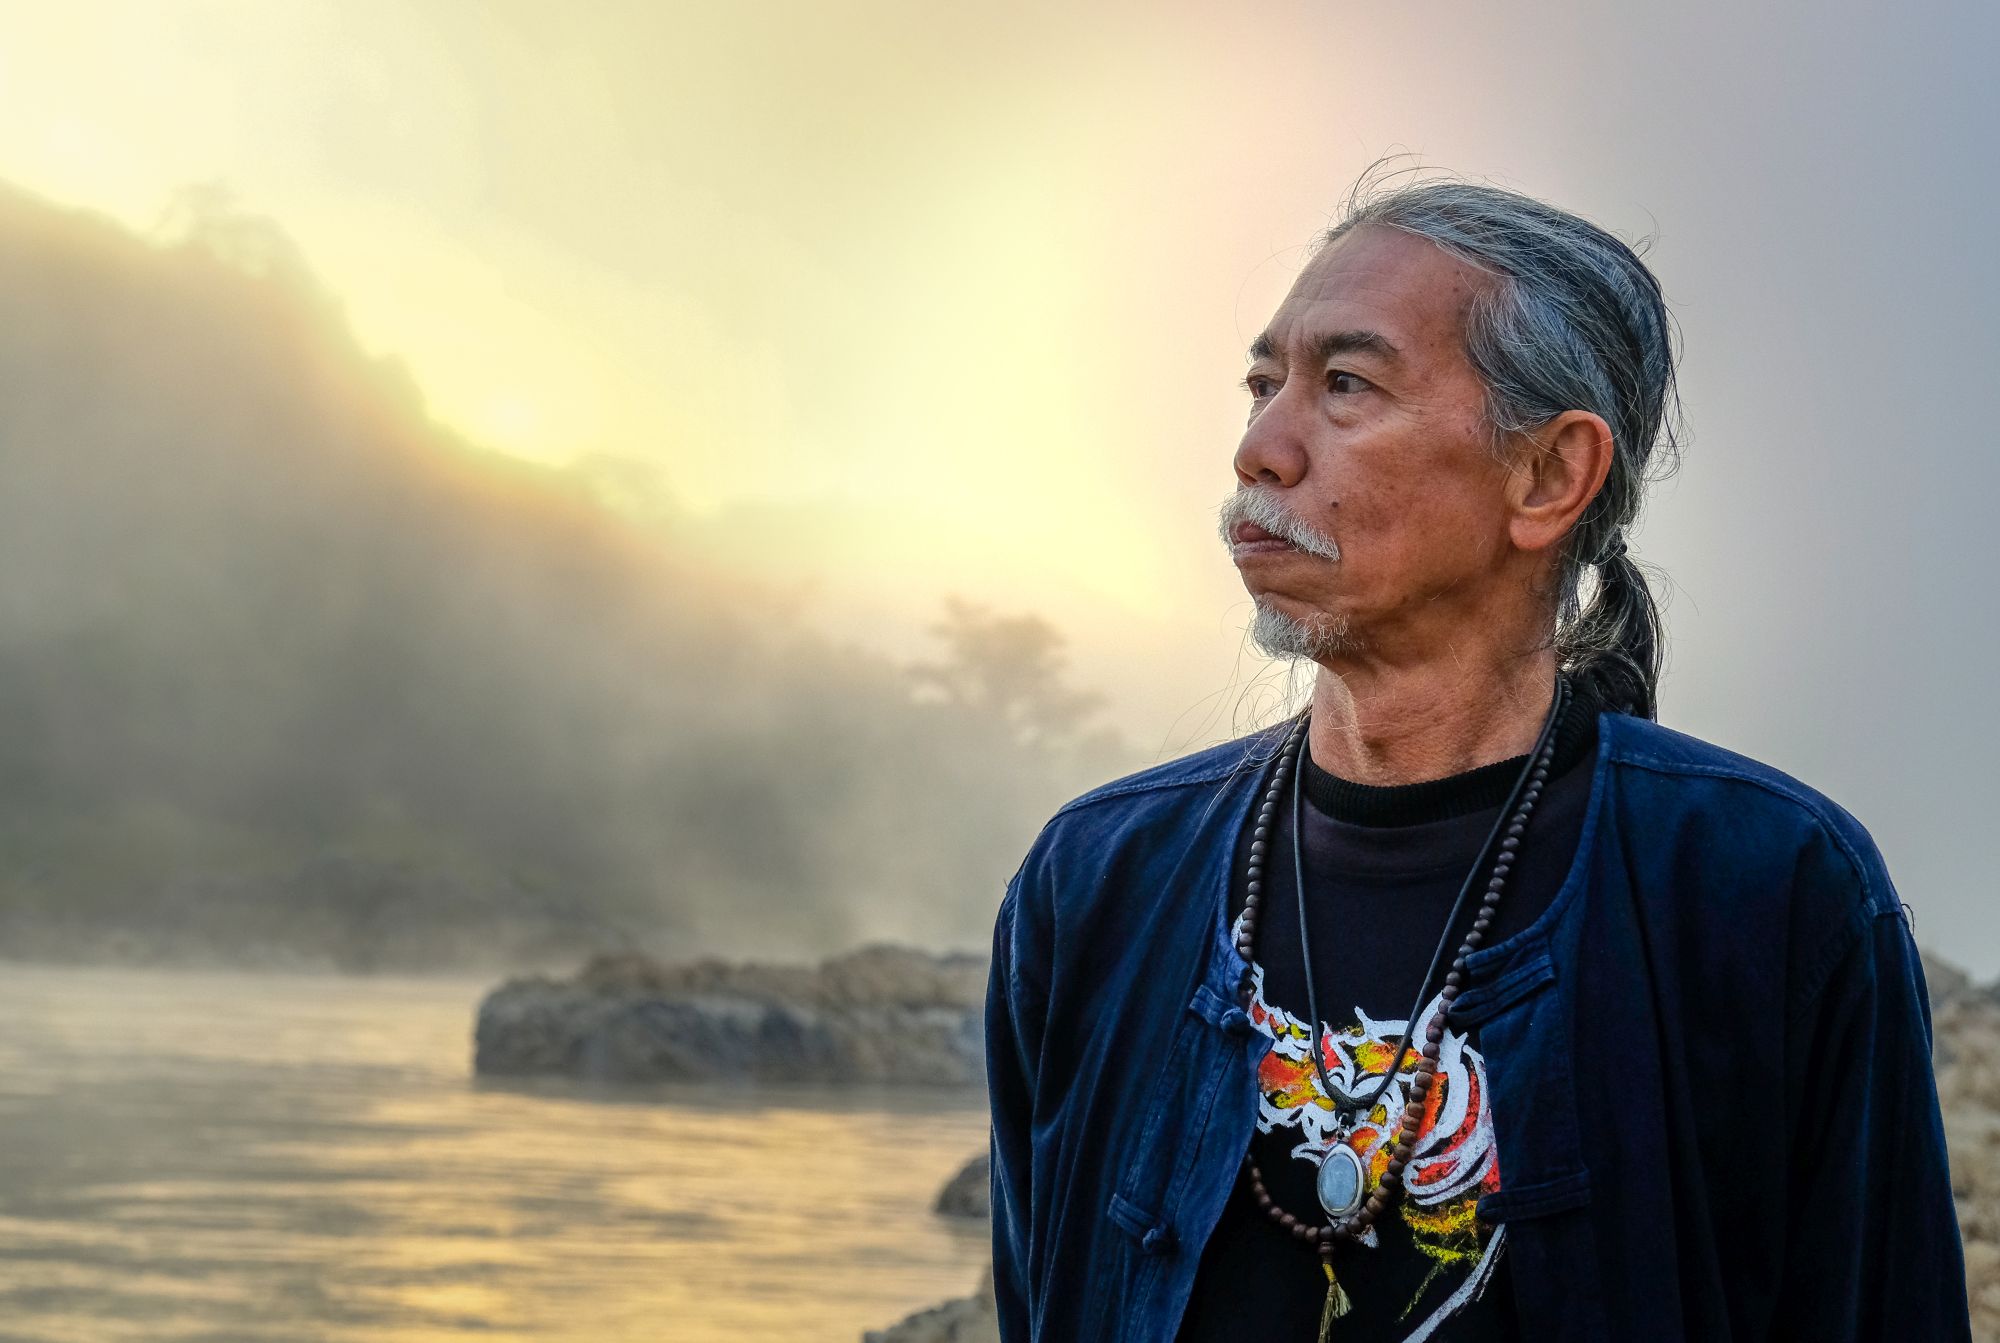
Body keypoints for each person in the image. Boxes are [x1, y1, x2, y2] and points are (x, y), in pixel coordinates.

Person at [984, 176, 1971, 1342]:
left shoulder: (1762, 889)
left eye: (1345, 385)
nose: (1258, 447)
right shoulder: (1098, 880)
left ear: (1548, 475)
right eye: (1263, 384)